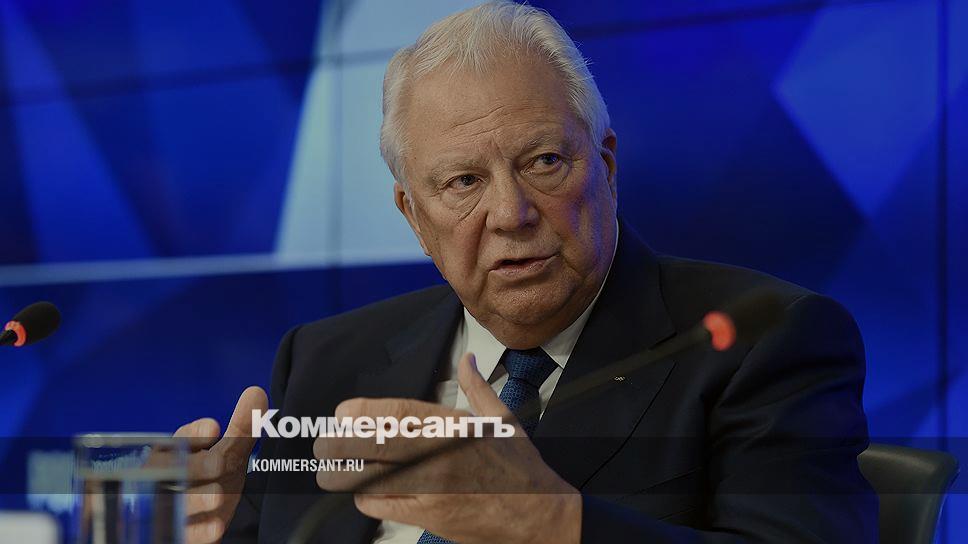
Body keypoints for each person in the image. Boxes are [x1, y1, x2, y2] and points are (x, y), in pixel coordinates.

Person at [173, 2, 878, 543]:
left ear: (605, 167)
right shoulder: (324, 362)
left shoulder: (764, 343)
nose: (511, 213)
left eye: (544, 162)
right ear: (414, 216)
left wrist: (551, 522)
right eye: (463, 182)